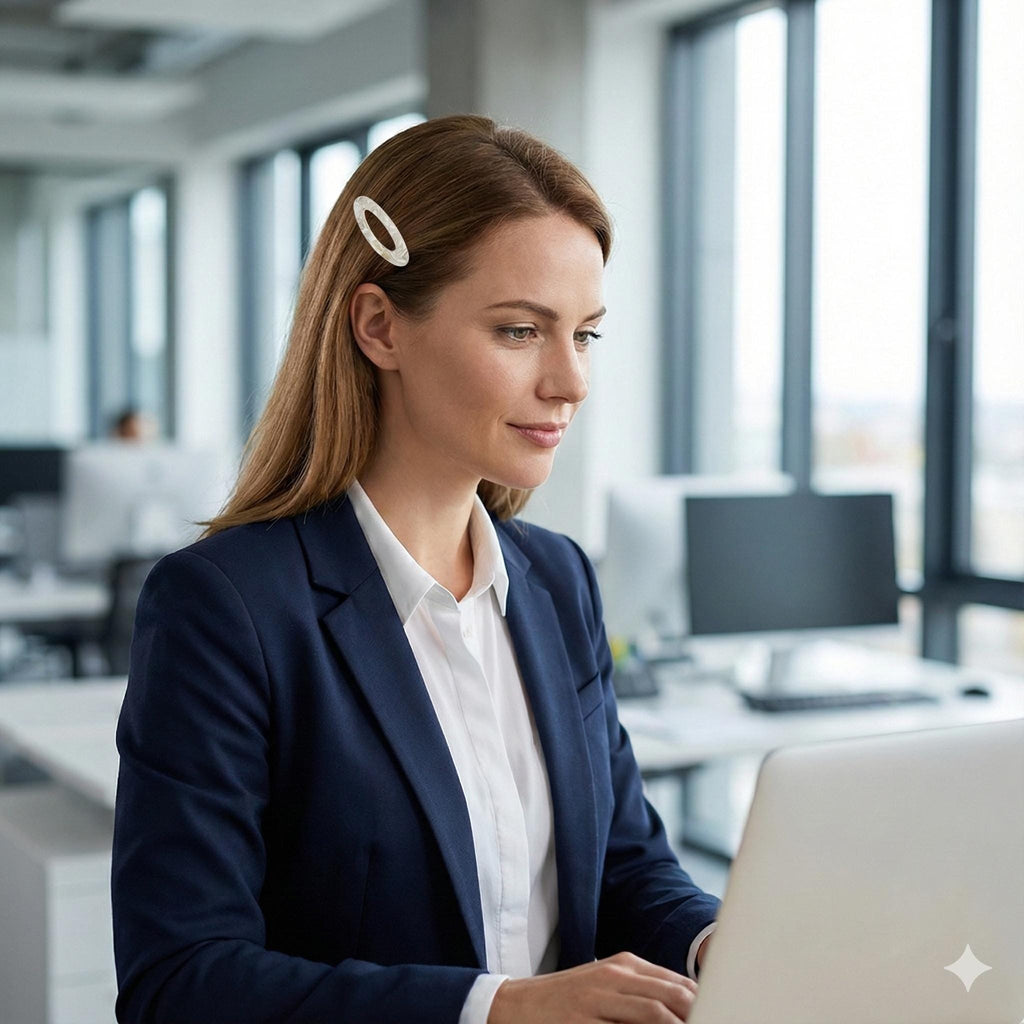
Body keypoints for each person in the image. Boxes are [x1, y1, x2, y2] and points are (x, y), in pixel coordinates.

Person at [110, 113, 721, 1024]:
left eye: (585, 334)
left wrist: (731, 940)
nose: (571, 381)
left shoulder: (557, 581)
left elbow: (628, 868)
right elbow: (180, 981)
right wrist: (498, 1010)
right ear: (379, 326)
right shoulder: (227, 606)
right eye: (521, 332)